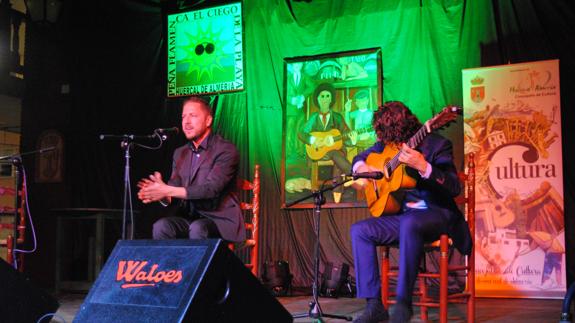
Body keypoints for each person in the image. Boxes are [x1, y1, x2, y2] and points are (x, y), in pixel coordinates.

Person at [349, 101, 472, 323]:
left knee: (410, 223)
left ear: (400, 130)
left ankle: (403, 304)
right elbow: (359, 158)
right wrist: (362, 169)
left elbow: (454, 187)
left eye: (385, 136)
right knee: (360, 230)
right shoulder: (387, 147)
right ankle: (374, 305)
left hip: (438, 214)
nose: (381, 141)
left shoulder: (437, 145)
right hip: (405, 217)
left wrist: (424, 167)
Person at [137, 96, 245, 243]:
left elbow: (210, 189)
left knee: (198, 228)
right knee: (161, 226)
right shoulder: (180, 153)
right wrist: (160, 192)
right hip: (190, 218)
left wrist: (167, 190)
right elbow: (174, 188)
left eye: (193, 116)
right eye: (183, 117)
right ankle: (172, 266)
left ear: (208, 121)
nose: (186, 122)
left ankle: (199, 267)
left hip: (220, 219)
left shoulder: (226, 150)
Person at [298, 82, 356, 177]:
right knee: (336, 154)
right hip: (316, 152)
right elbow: (301, 133)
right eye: (322, 96)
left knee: (336, 152)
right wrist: (313, 140)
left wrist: (352, 141)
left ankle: (338, 190)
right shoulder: (313, 118)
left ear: (331, 99)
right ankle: (353, 173)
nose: (325, 99)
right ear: (317, 99)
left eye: (327, 96)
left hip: (336, 151)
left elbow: (345, 134)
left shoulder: (337, 117)